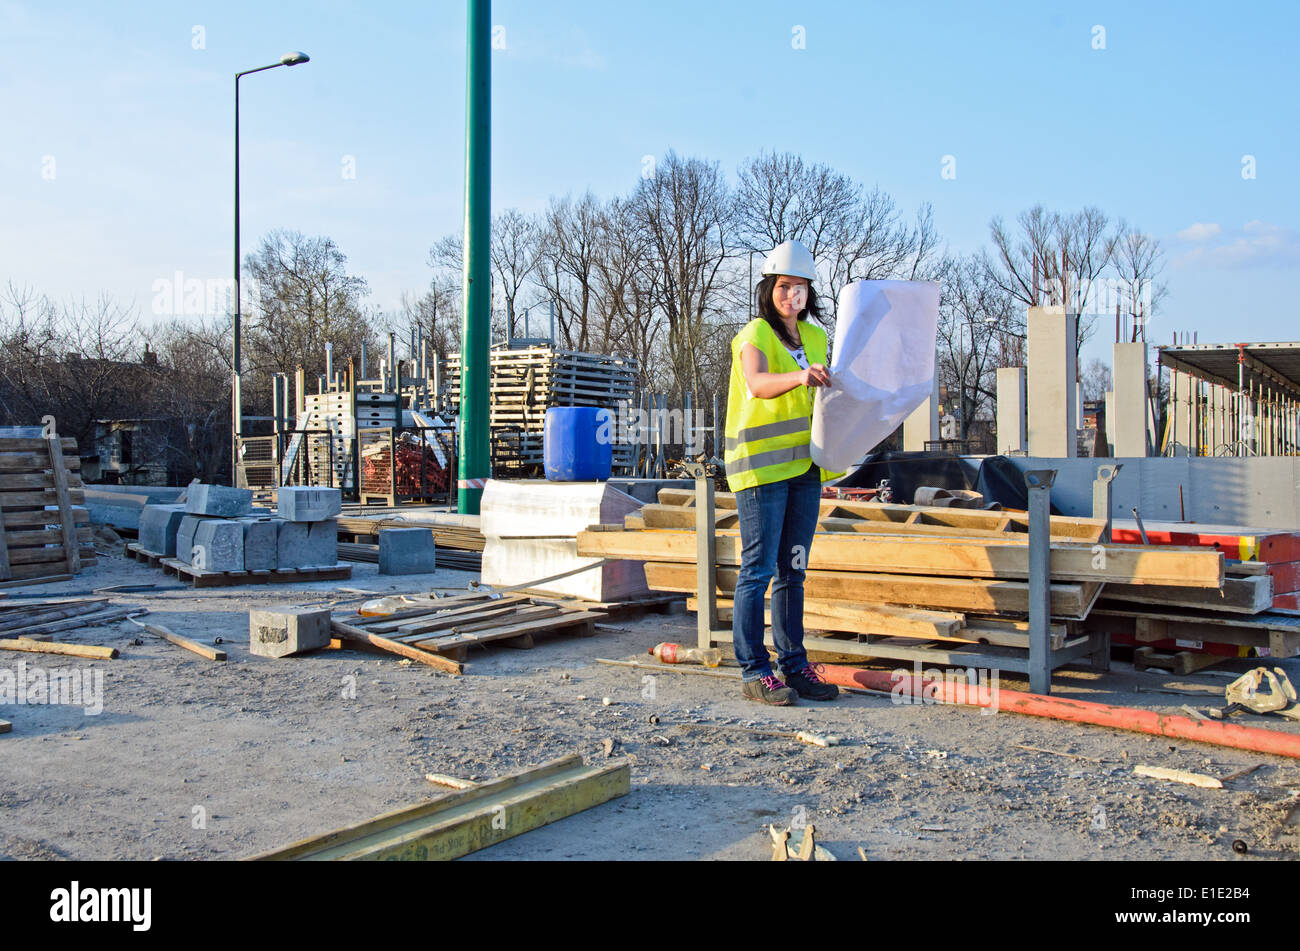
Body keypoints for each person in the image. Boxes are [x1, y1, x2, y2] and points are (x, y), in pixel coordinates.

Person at [723, 239, 841, 705]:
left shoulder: (817, 338)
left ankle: (795, 666)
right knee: (758, 570)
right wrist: (799, 376)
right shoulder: (756, 334)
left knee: (793, 570)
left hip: (804, 467)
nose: (792, 295)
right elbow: (757, 383)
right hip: (760, 467)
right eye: (784, 286)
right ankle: (755, 670)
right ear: (769, 288)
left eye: (801, 287)